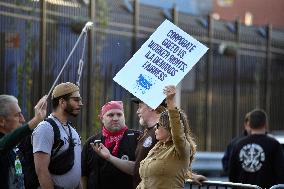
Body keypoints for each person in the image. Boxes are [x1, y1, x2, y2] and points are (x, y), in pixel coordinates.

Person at [93, 85, 205, 188]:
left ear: (169, 128)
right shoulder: (157, 147)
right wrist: (187, 173)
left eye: (159, 125)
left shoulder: (180, 145)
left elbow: (177, 132)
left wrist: (170, 101)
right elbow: (147, 176)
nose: (156, 128)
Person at [32, 82, 83, 189]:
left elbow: (76, 168)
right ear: (62, 102)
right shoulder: (46, 128)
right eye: (76, 99)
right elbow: (41, 171)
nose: (80, 103)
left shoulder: (72, 130)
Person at [81, 100, 141, 189]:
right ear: (101, 118)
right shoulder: (91, 143)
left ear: (124, 116)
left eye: (119, 114)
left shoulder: (138, 138)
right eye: (111, 115)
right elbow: (84, 175)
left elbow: (141, 170)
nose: (116, 118)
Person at [0, 94, 47, 189]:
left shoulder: (16, 147)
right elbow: (4, 143)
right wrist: (35, 120)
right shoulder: (4, 145)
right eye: (17, 115)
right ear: (1, 121)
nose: (23, 119)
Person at [229, 109, 284, 189]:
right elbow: (281, 173)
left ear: (249, 125)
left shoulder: (238, 145)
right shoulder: (274, 144)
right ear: (265, 124)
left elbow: (232, 173)